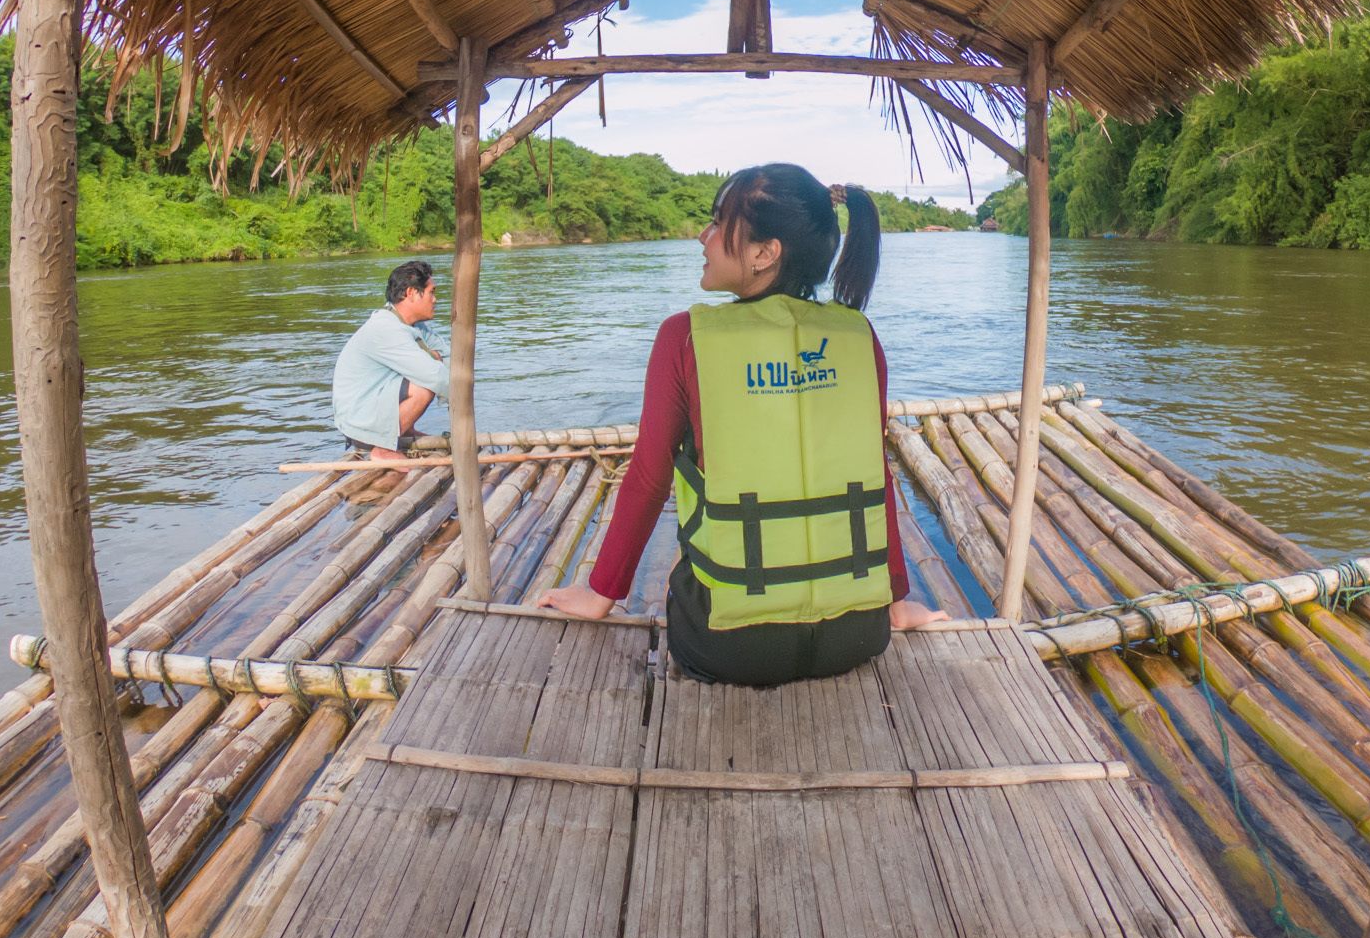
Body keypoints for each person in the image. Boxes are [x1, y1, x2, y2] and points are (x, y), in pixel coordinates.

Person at [538, 163, 947, 685]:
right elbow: (875, 475)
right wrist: (895, 601)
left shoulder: (684, 337)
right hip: (857, 637)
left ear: (763, 253)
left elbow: (648, 474)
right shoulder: (858, 335)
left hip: (728, 646)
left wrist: (600, 592)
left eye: (715, 223)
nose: (702, 238)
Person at [331, 260, 450, 461]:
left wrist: (436, 360)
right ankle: (383, 449)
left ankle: (403, 431)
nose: (435, 299)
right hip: (358, 422)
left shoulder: (412, 326)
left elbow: (447, 356)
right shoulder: (386, 329)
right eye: (431, 292)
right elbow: (437, 376)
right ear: (412, 293)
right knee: (424, 386)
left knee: (425, 375)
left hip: (370, 408)